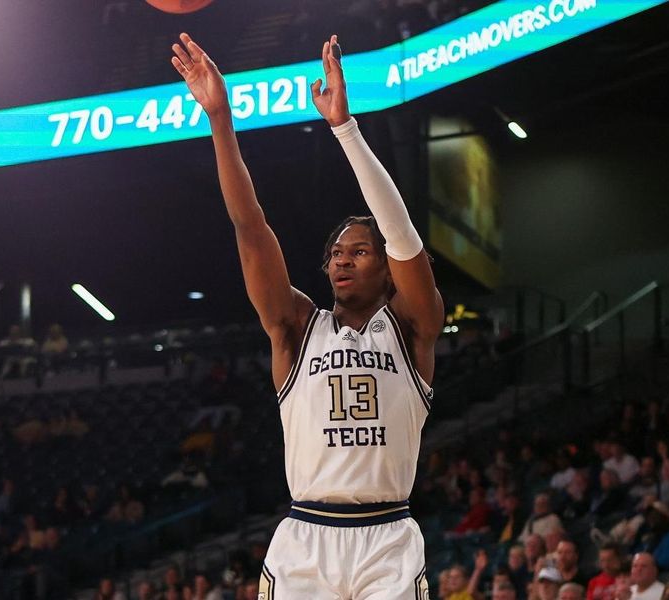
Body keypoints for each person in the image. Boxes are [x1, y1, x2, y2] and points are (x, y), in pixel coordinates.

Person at [171, 31, 444, 600]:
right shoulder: (297, 328)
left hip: (387, 538)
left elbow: (405, 238)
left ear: (386, 269)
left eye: (359, 251)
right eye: (335, 253)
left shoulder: (412, 326)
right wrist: (220, 120)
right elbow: (251, 228)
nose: (342, 260)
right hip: (306, 538)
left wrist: (345, 130)